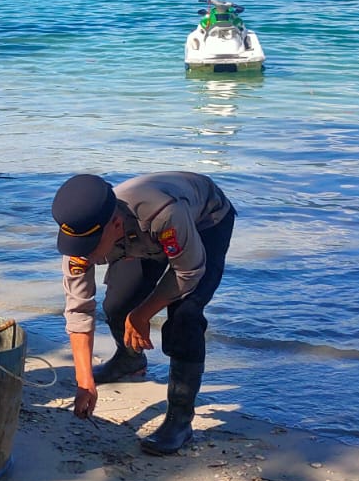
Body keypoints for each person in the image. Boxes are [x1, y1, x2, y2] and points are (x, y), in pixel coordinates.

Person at [51, 172, 236, 455]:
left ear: (114, 224)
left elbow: (188, 272)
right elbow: (78, 307)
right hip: (140, 239)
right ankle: (129, 361)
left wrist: (142, 314)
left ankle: (180, 420)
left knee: (184, 317)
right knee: (116, 306)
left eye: (89, 249)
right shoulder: (81, 233)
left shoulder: (163, 213)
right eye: (78, 248)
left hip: (203, 222)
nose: (83, 256)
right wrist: (84, 380)